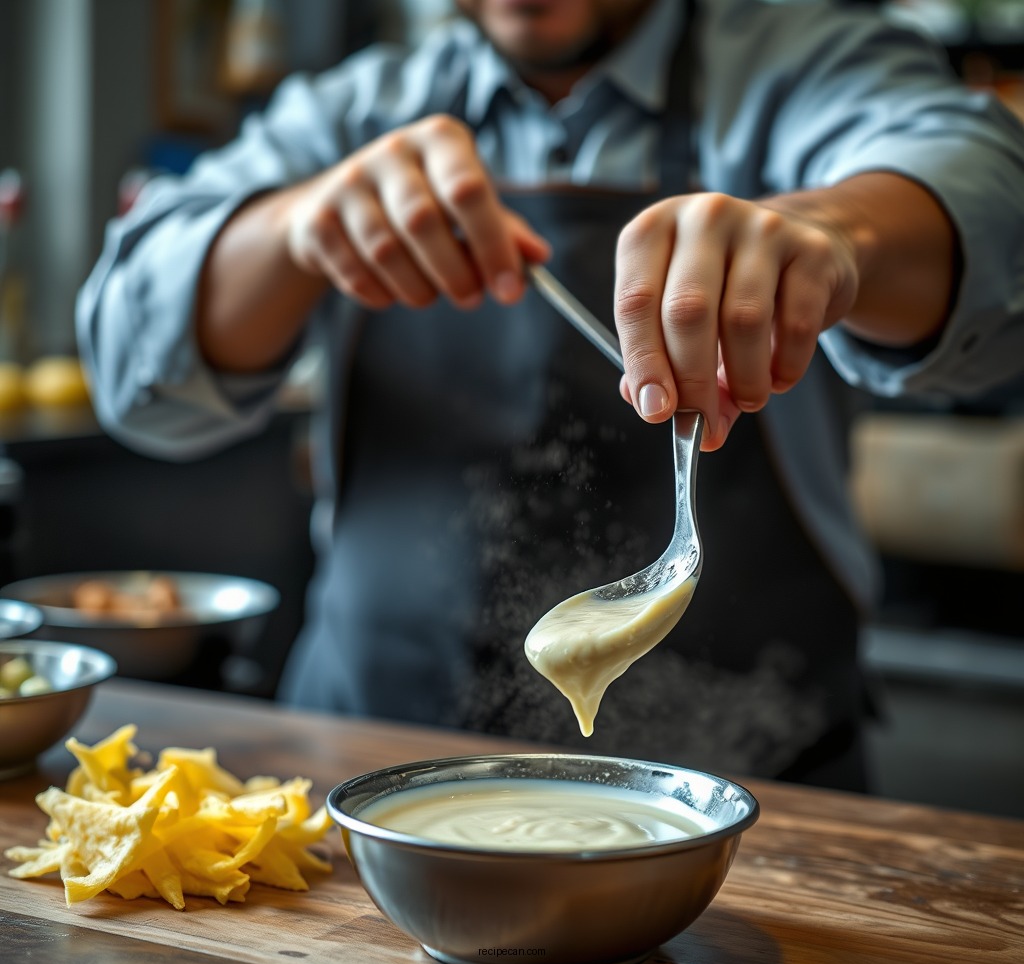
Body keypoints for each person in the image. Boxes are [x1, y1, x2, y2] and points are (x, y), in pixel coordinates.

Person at [77, 0, 1024, 791]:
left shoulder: (800, 66)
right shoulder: (360, 110)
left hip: (759, 797)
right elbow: (129, 365)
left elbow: (982, 184)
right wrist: (293, 229)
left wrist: (840, 232)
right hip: (366, 775)